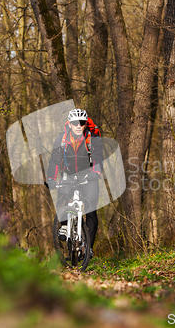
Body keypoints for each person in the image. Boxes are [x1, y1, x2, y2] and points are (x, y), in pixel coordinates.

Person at [45, 108, 102, 257]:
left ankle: (89, 247)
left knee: (91, 210)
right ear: (69, 124)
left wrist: (96, 172)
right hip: (68, 174)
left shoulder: (92, 137)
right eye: (75, 123)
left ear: (85, 125)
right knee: (62, 197)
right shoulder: (62, 139)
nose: (78, 126)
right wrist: (51, 178)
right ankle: (64, 225)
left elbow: (97, 156)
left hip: (88, 175)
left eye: (81, 123)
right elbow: (55, 159)